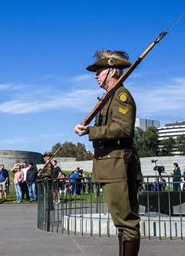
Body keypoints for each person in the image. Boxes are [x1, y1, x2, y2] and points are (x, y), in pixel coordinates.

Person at [74, 50, 142, 255]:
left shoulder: (121, 95)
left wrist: (90, 131)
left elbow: (123, 129)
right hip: (110, 166)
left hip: (118, 165)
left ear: (112, 70)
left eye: (99, 70)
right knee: (121, 223)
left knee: (126, 222)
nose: (95, 75)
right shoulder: (108, 97)